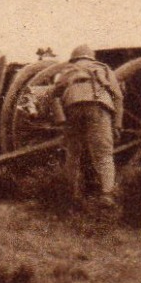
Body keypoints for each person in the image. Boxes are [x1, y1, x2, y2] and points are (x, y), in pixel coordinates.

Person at [45, 45, 125, 207]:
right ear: (91, 58)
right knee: (103, 153)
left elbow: (53, 95)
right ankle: (107, 194)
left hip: (72, 107)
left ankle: (71, 194)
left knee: (73, 153)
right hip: (98, 106)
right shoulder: (103, 68)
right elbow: (117, 96)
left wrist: (61, 120)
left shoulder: (69, 69)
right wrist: (117, 124)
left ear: (75, 58)